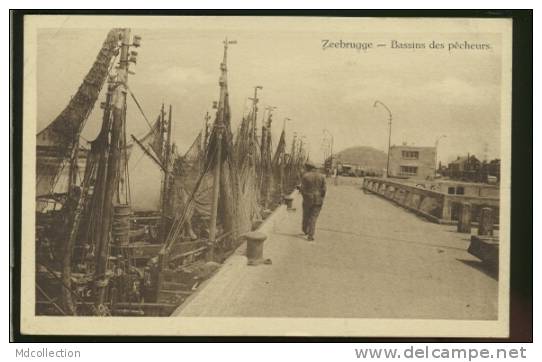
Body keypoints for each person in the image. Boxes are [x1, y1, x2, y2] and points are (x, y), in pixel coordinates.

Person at [298, 161, 326, 241]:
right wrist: (321, 197)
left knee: (306, 215)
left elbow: (302, 189)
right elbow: (324, 189)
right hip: (318, 200)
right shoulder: (322, 176)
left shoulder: (305, 176)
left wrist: (304, 196)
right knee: (313, 218)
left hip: (307, 199)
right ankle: (311, 236)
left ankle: (305, 230)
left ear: (307, 168)